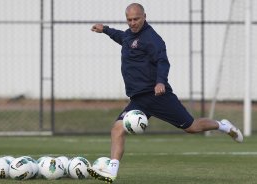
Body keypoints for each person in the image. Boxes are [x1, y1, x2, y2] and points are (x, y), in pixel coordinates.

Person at [88, 3, 243, 183]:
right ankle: (111, 171)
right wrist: (105, 30)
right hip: (138, 99)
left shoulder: (152, 39)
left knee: (191, 127)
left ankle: (222, 125)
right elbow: (122, 37)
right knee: (117, 128)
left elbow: (163, 61)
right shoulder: (129, 34)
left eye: (136, 19)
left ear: (144, 16)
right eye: (129, 19)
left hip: (157, 96)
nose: (132, 23)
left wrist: (160, 81)